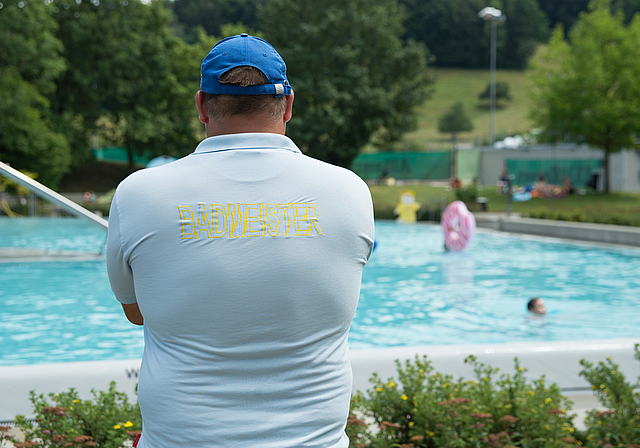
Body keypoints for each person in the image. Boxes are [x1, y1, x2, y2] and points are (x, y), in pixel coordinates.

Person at [106, 34, 375, 448]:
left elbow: (137, 312)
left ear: (201, 105)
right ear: (288, 106)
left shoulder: (138, 194)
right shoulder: (350, 191)